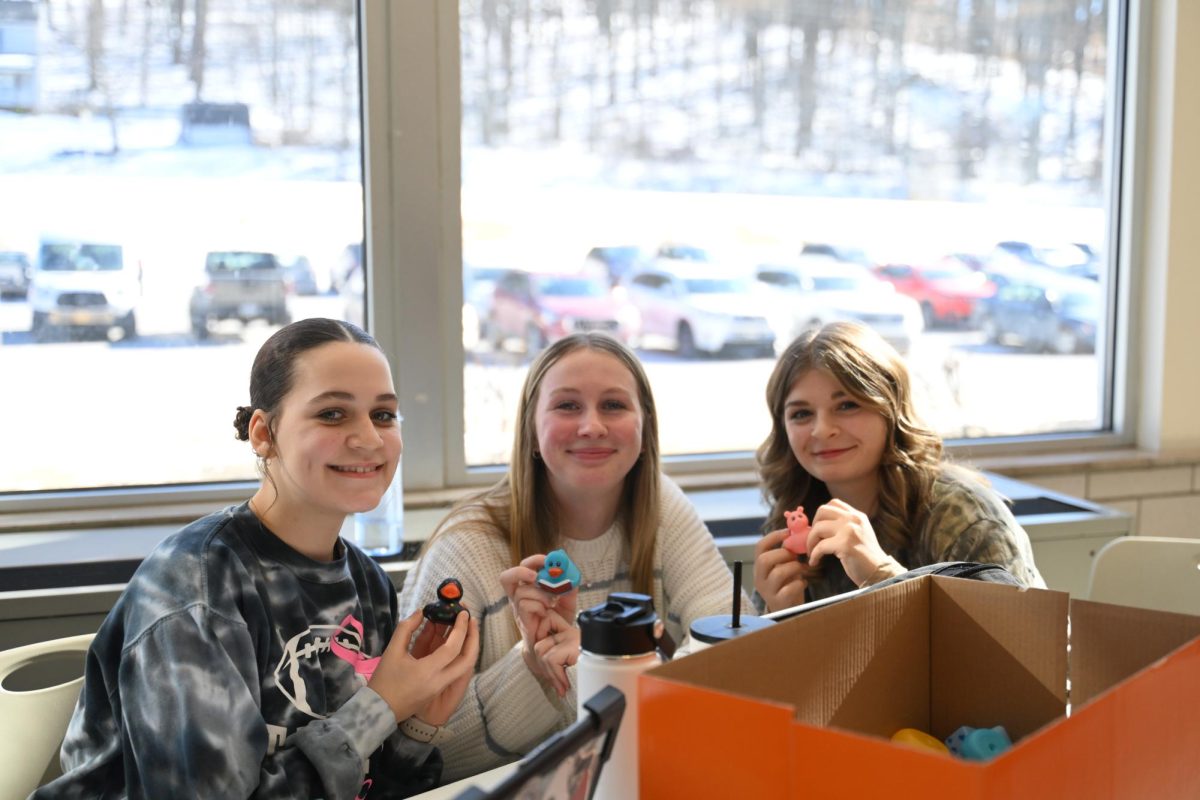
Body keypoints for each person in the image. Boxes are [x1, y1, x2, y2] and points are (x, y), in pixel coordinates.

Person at [35, 318, 480, 799]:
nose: (370, 440)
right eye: (333, 414)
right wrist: (382, 705)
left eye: (383, 415)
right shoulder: (196, 587)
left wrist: (416, 724)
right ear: (263, 433)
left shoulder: (366, 581)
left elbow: (367, 784)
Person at [398, 332, 750, 783]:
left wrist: (605, 667)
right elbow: (417, 757)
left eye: (614, 405)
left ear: (645, 430)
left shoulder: (663, 508)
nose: (591, 426)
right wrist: (532, 668)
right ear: (530, 430)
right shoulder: (467, 545)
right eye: (567, 406)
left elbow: (735, 658)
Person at [753, 321, 1046, 612]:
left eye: (847, 405)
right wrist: (779, 617)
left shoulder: (964, 516)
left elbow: (1026, 643)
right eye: (801, 413)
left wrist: (882, 576)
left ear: (891, 409)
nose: (822, 430)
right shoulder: (793, 514)